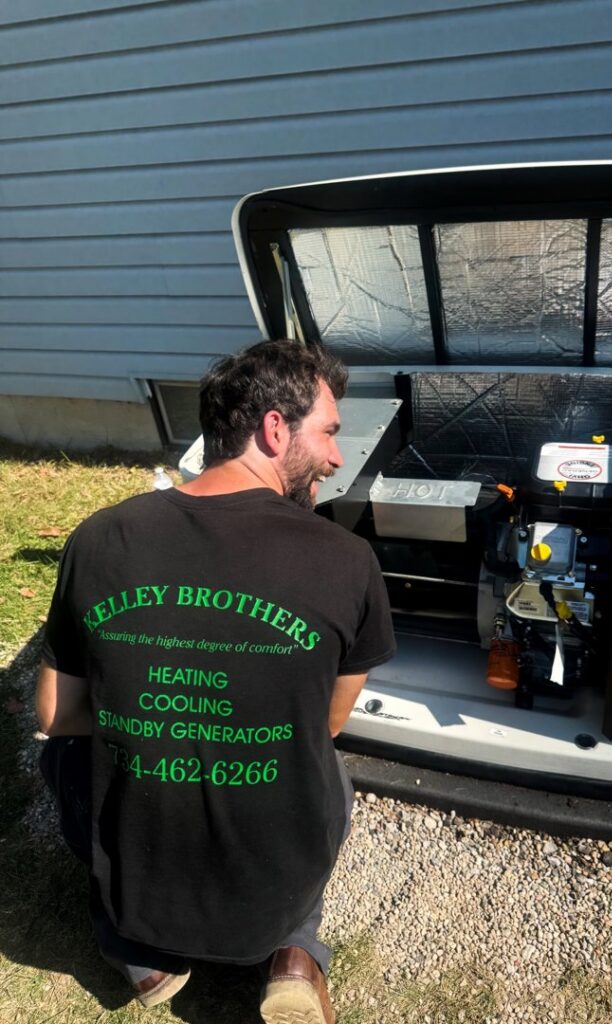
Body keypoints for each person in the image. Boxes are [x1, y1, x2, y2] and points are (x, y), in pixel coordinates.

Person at [36, 340, 396, 1024]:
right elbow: (324, 723)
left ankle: (141, 956)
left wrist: (154, 714)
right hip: (270, 889)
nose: (337, 457)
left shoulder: (99, 537)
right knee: (324, 768)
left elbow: (55, 710)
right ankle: (292, 953)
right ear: (273, 429)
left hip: (144, 887)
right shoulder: (349, 562)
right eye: (329, 432)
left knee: (63, 756)